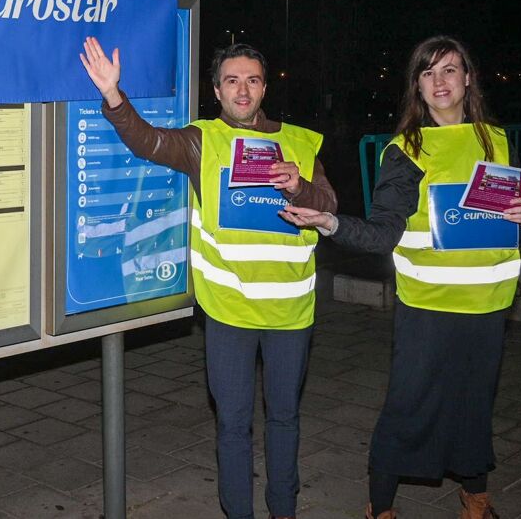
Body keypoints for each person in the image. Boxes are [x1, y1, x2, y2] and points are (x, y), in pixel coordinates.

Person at [281, 36, 521, 519]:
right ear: (417, 87)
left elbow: (506, 214)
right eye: (427, 73)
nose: (439, 82)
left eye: (448, 70)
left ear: (467, 78)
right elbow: (382, 236)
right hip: (430, 304)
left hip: (489, 305)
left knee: (475, 404)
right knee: (408, 405)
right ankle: (380, 506)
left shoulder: (496, 139)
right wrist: (330, 223)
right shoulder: (407, 150)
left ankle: (475, 495)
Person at [80, 37, 337, 519]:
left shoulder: (299, 142)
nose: (243, 90)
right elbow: (148, 141)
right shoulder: (203, 141)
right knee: (234, 424)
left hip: (292, 310)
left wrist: (298, 185)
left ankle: (285, 509)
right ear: (216, 90)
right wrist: (115, 96)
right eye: (232, 80)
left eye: (253, 80)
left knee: (284, 418)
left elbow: (330, 206)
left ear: (265, 88)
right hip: (229, 310)